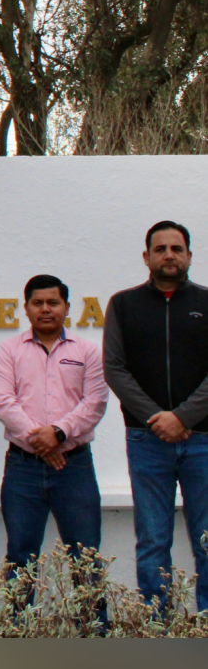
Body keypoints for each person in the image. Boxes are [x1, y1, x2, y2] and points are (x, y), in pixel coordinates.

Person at [104, 220, 208, 613]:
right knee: (152, 539)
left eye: (176, 248)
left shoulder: (207, 303)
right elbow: (115, 368)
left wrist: (182, 416)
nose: (169, 255)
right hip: (146, 441)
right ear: (146, 257)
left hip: (203, 440)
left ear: (189, 256)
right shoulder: (124, 304)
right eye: (160, 248)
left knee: (207, 538)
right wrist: (156, 418)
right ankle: (155, 626)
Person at [0, 275, 108, 601]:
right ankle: (20, 635)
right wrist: (40, 444)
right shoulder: (8, 350)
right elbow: (2, 401)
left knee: (85, 558)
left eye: (53, 302)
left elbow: (95, 402)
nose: (45, 309)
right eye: (38, 303)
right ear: (26, 308)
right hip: (22, 468)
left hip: (75, 468)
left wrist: (57, 433)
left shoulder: (87, 352)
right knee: (20, 556)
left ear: (67, 308)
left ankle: (93, 636)